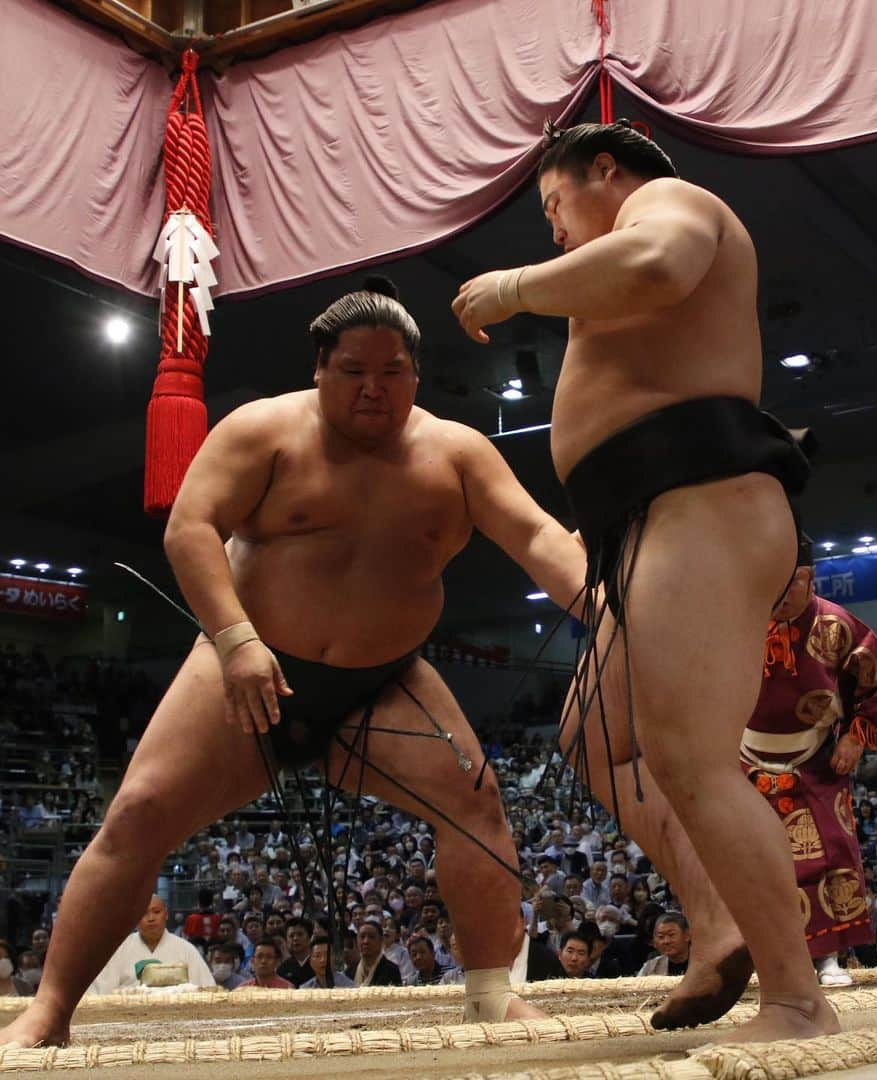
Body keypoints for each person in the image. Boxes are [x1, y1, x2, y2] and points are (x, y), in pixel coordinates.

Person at [0, 279, 589, 1048]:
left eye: (394, 372)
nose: (375, 389)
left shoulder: (458, 453)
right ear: (320, 368)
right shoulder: (263, 431)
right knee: (139, 813)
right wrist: (237, 638)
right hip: (246, 670)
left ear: (417, 372)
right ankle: (49, 1009)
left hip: (385, 682)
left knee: (476, 805)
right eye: (355, 371)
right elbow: (191, 528)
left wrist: (597, 609)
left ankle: (490, 996)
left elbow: (539, 536)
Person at [452, 118, 834, 1041]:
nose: (553, 232)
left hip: (698, 497)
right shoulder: (611, 260)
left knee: (693, 760)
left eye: (554, 205)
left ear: (607, 171)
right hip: (650, 520)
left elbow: (659, 265)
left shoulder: (671, 202)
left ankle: (795, 998)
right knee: (595, 733)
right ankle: (716, 926)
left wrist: (514, 288)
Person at [743, 540, 877, 987]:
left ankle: (828, 959)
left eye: (793, 581)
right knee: (747, 862)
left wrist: (857, 737)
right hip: (741, 760)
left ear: (811, 576)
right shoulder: (737, 617)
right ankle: (752, 962)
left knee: (831, 856)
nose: (782, 592)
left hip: (814, 760)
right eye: (774, 581)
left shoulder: (836, 624)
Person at [89, 895, 215, 995]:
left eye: (156, 912)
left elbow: (207, 990)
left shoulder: (186, 950)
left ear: (166, 914)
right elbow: (102, 993)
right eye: (143, 913)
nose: (151, 918)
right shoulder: (119, 949)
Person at [353, 920, 402, 987]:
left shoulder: (392, 971)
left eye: (371, 937)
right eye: (362, 937)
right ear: (357, 940)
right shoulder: (351, 970)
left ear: (381, 940)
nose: (366, 941)